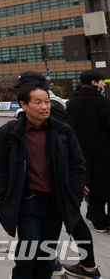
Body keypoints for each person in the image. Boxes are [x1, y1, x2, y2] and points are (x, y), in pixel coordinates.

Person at [0, 83, 86, 279]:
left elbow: (78, 164)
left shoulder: (62, 131)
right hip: (27, 201)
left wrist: (74, 195)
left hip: (54, 201)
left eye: (47, 102)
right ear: (24, 105)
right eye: (38, 102)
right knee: (29, 251)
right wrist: (3, 192)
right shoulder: (9, 133)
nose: (45, 107)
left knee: (47, 254)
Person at [13, 71, 102, 279]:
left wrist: (77, 180)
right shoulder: (50, 103)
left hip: (59, 182)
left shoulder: (52, 106)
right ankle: (57, 263)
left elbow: (70, 144)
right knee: (66, 222)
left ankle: (88, 266)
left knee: (73, 221)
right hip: (47, 182)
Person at [67, 70, 110, 235]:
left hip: (81, 154)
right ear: (94, 82)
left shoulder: (72, 103)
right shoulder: (102, 103)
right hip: (105, 153)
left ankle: (98, 222)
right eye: (102, 81)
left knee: (91, 188)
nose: (104, 83)